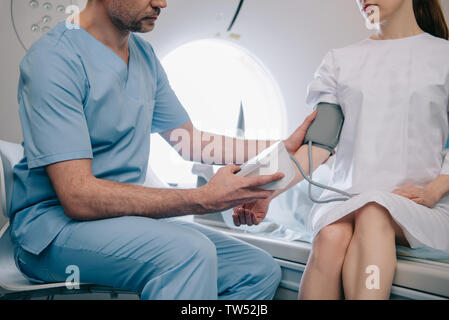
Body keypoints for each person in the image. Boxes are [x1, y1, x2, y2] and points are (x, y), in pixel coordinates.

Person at [10, 0, 317, 300]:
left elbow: (190, 141)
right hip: (55, 232)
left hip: (122, 222)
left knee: (257, 269)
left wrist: (281, 148)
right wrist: (201, 199)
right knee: (189, 254)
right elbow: (78, 198)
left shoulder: (143, 55)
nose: (162, 3)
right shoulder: (53, 59)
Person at [233, 0, 449, 300]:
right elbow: (318, 146)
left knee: (374, 211)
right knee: (332, 235)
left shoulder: (444, 57)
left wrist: (435, 190)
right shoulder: (340, 61)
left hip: (421, 205)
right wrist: (266, 190)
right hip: (345, 199)